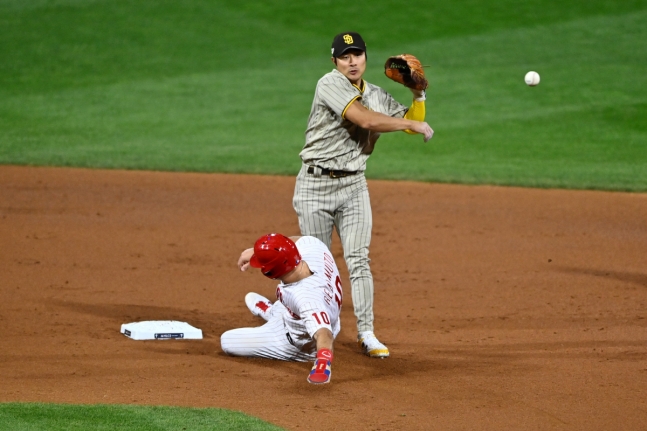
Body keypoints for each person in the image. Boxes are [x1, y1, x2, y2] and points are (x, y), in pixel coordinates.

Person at [292, 31, 433, 358]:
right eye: (345, 56)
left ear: (366, 57)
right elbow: (364, 119)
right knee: (317, 266)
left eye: (357, 54)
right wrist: (411, 126)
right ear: (335, 61)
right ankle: (317, 334)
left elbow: (412, 123)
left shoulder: (378, 94)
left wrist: (418, 97)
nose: (352, 61)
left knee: (359, 260)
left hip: (354, 185)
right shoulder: (328, 84)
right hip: (315, 186)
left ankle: (366, 333)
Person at [220, 233, 343, 385]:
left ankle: (273, 315)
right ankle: (273, 312)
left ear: (270, 272)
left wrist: (322, 365)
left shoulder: (305, 300)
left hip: (297, 345)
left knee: (227, 341)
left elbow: (324, 333)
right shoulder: (314, 247)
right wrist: (256, 251)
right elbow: (293, 241)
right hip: (308, 314)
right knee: (288, 304)